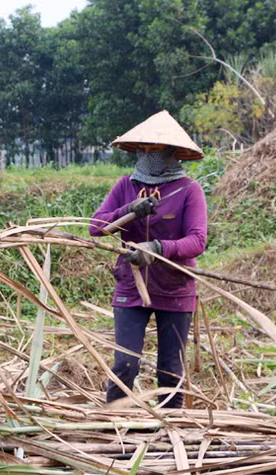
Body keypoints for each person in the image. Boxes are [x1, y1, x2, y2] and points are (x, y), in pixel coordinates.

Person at [88, 111, 207, 408]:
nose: (148, 154)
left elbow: (197, 240)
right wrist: (129, 209)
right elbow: (96, 227)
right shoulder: (124, 187)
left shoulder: (189, 191)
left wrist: (157, 248)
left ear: (171, 154)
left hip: (175, 289)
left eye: (156, 149)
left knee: (170, 371)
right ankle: (113, 422)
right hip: (130, 285)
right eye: (144, 148)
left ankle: (172, 432)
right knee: (125, 364)